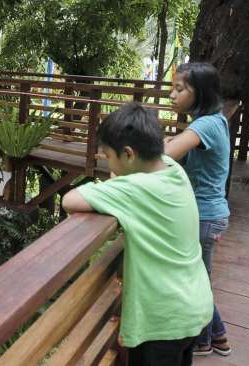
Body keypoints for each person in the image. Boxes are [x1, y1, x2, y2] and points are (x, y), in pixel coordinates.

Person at [62, 102, 213, 366]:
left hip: (161, 322)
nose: (109, 163)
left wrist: (115, 182)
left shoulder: (135, 189)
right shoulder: (171, 170)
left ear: (129, 154)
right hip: (193, 306)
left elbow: (70, 199)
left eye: (108, 155)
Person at [165, 62, 231, 356]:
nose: (171, 95)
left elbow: (166, 155)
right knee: (198, 278)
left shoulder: (205, 125)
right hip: (209, 213)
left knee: (196, 281)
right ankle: (214, 337)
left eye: (179, 89)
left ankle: (207, 339)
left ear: (199, 92)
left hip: (205, 214)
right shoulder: (215, 120)